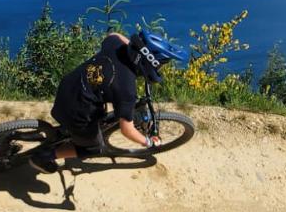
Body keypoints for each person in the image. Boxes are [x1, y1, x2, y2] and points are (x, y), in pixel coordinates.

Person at [29, 29, 186, 173]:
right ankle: (45, 156)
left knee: (96, 100)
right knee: (93, 148)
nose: (160, 69)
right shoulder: (127, 91)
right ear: (149, 62)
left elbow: (113, 35)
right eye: (160, 66)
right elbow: (127, 130)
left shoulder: (115, 46)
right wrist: (147, 142)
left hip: (69, 86)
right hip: (75, 110)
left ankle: (66, 134)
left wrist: (136, 47)